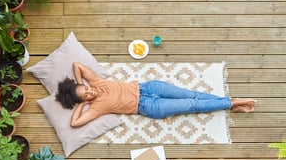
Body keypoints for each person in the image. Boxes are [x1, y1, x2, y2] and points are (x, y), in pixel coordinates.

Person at [56, 62, 256, 128]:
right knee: (191, 105)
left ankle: (230, 103)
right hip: (148, 107)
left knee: (191, 94)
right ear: (86, 101)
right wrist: (80, 103)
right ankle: (231, 103)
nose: (91, 92)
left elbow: (77, 65)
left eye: (87, 89)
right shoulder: (96, 108)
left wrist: (80, 85)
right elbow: (75, 123)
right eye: (87, 95)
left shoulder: (95, 82)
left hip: (149, 88)